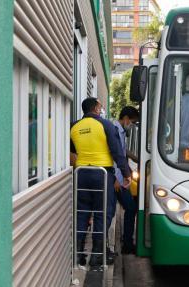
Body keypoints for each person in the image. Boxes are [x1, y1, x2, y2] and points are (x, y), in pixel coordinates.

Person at [70, 98, 131, 269]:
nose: (102, 109)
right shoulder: (106, 125)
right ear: (96, 108)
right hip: (102, 175)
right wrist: (126, 174)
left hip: (81, 174)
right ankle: (96, 257)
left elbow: (73, 151)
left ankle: (78, 254)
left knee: (81, 212)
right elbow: (117, 151)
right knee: (102, 213)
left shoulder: (73, 126)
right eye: (100, 106)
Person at [113, 106, 139, 254]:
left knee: (130, 208)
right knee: (130, 208)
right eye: (133, 123)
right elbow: (114, 155)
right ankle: (127, 244)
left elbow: (123, 152)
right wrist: (116, 178)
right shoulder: (115, 130)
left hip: (120, 178)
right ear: (126, 118)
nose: (132, 126)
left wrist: (138, 159)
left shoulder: (120, 132)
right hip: (116, 180)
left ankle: (127, 242)